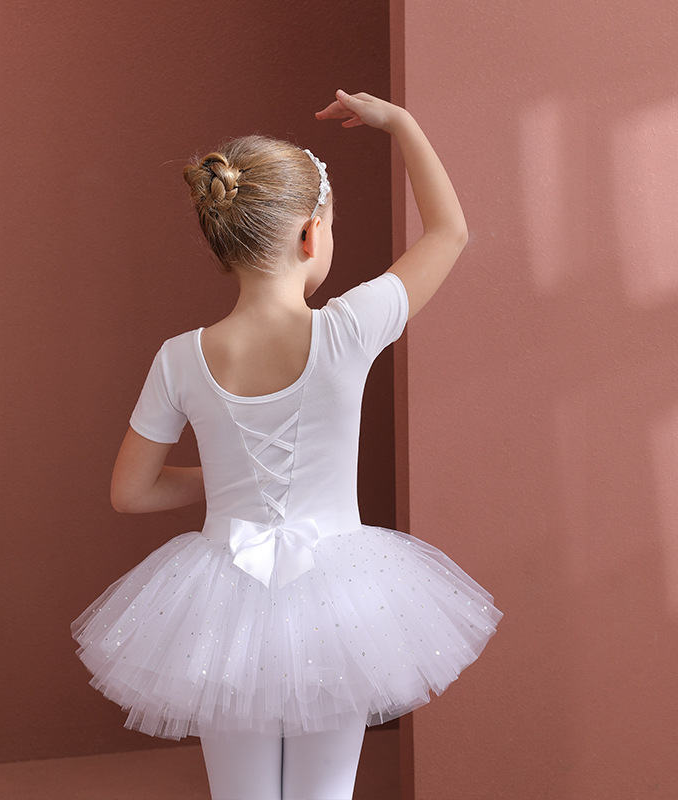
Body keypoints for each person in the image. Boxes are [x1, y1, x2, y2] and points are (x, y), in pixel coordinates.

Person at [71, 90, 502, 800]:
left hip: (220, 602)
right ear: (311, 235)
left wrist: (225, 476)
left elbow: (131, 492)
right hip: (340, 598)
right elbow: (448, 233)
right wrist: (400, 123)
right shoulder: (347, 329)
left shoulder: (180, 358)